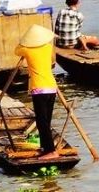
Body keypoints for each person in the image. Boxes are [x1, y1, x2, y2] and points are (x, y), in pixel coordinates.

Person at [15, 25, 62, 161]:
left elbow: (16, 50)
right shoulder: (47, 48)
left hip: (39, 89)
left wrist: (23, 42)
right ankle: (45, 147)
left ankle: (51, 151)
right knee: (46, 120)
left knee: (42, 122)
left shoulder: (27, 50)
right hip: (52, 87)